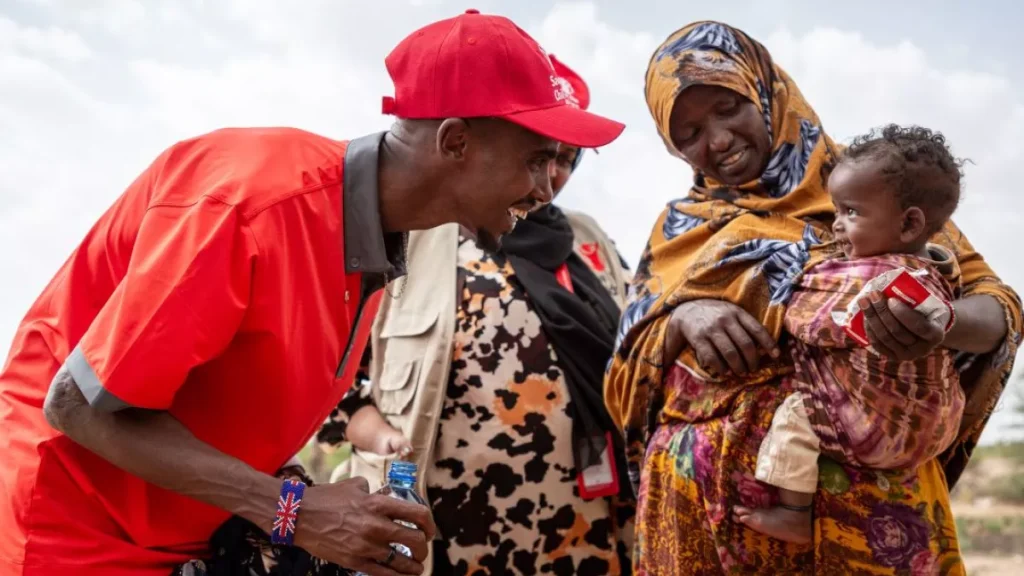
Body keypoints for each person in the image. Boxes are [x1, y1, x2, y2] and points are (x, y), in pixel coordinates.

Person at [0, 9, 625, 576]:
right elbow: (76, 406)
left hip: (179, 536)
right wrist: (295, 511)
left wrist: (326, 507)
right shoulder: (250, 205)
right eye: (538, 158)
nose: (549, 187)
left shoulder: (380, 241)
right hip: (69, 538)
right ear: (455, 141)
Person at [604, 21, 1020, 575]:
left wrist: (938, 324)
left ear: (766, 89)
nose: (719, 139)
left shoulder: (873, 185)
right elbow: (623, 382)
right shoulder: (677, 231)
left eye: (729, 107)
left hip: (865, 512)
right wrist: (684, 316)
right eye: (689, 133)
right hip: (698, 512)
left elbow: (998, 307)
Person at [316, 55, 636, 576]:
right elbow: (332, 389)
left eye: (567, 160)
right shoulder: (410, 237)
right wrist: (382, 439)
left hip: (585, 530)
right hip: (452, 537)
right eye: (538, 156)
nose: (550, 177)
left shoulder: (588, 241)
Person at [736, 124, 967, 544]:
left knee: (793, 416)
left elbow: (808, 321)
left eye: (850, 212)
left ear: (909, 223)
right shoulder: (936, 272)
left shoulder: (861, 278)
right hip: (937, 424)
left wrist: (788, 294)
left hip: (876, 428)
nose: (836, 225)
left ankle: (793, 511)